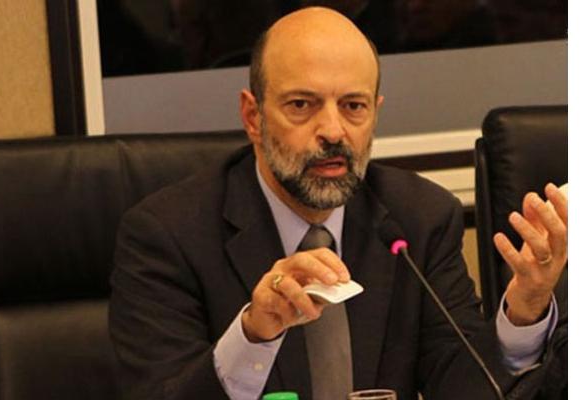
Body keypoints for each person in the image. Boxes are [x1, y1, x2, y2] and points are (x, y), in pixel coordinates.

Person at [109, 7, 567, 400]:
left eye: (353, 106)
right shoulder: (167, 234)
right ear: (253, 116)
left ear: (375, 113)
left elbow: (462, 387)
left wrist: (524, 309)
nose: (332, 131)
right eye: (301, 105)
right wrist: (252, 334)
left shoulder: (420, 217)